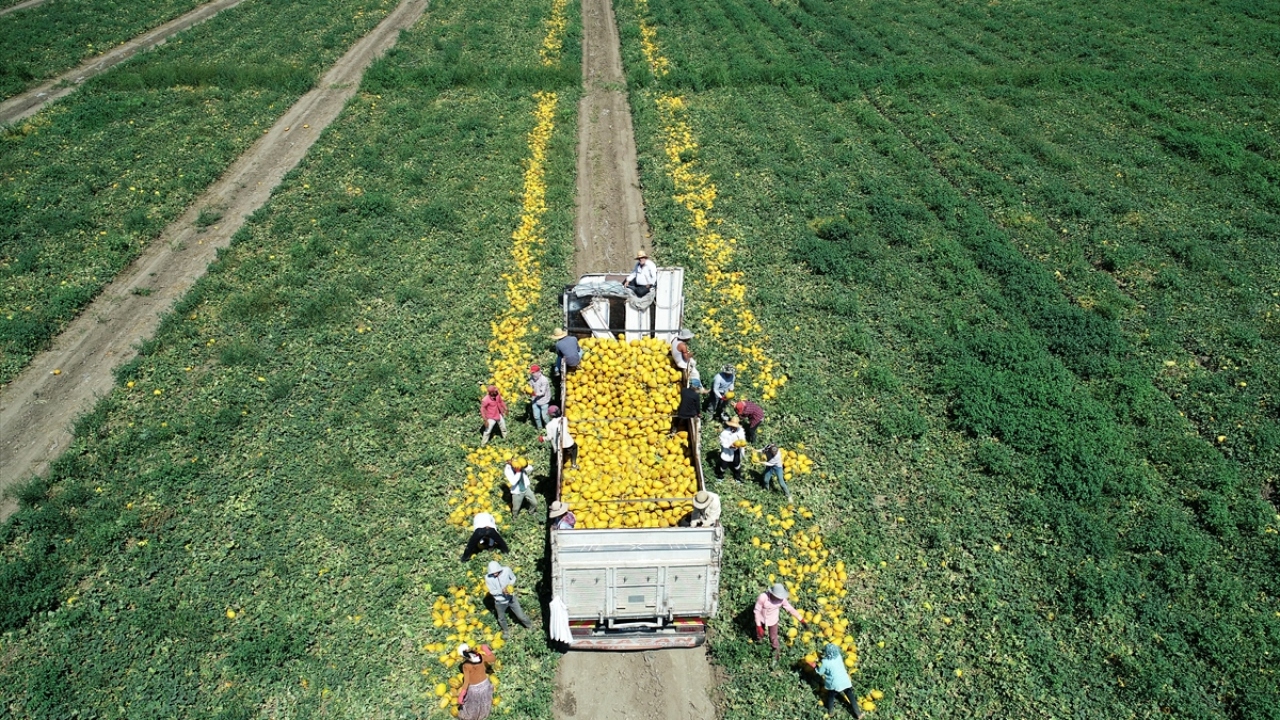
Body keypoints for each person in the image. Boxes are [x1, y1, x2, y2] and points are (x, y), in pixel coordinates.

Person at [754, 582, 805, 662]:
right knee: (759, 633)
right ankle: (759, 642)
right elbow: (757, 611)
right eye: (777, 597)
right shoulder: (763, 597)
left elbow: (790, 609)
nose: (779, 599)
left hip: (773, 620)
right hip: (761, 618)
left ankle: (776, 656)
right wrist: (758, 625)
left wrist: (800, 619)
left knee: (773, 638)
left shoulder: (782, 600)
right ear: (772, 594)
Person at [810, 643, 863, 719]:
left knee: (831, 697)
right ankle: (858, 714)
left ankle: (830, 712)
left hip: (835, 684)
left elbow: (820, 672)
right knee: (851, 697)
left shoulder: (825, 662)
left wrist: (815, 667)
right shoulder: (839, 657)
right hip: (845, 681)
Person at [484, 560, 533, 636]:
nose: (495, 574)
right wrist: (501, 591)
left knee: (520, 615)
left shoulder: (506, 570)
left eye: (497, 572)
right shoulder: (488, 578)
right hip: (500, 602)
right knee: (501, 618)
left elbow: (513, 578)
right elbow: (492, 591)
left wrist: (509, 586)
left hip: (511, 598)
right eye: (493, 573)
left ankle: (530, 626)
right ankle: (506, 631)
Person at [456, 642, 497, 720]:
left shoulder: (466, 666)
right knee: (484, 701)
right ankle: (484, 714)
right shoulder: (480, 656)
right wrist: (485, 649)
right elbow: (493, 658)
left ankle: (472, 717)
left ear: (463, 656)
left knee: (471, 706)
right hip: (485, 685)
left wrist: (461, 695)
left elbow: (466, 682)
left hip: (474, 690)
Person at [543, 405, 578, 471]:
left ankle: (559, 467)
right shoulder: (564, 419)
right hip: (567, 442)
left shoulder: (549, 425)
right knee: (574, 447)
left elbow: (549, 437)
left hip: (558, 444)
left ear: (551, 415)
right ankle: (574, 464)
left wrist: (543, 438)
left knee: (559, 456)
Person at [715, 418, 746, 482]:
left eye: (735, 427)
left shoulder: (740, 431)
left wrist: (742, 444)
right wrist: (729, 446)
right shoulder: (725, 433)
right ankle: (720, 477)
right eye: (732, 426)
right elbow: (722, 442)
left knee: (737, 464)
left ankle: (737, 477)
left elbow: (743, 439)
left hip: (736, 451)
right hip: (727, 451)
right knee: (723, 465)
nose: (733, 428)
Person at [527, 365, 551, 430]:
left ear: (539, 372)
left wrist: (533, 394)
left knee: (545, 417)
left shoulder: (544, 380)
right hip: (534, 400)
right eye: (532, 373)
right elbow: (530, 387)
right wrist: (526, 390)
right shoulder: (531, 379)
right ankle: (540, 429)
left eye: (533, 373)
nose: (532, 374)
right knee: (536, 416)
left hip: (544, 401)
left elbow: (542, 393)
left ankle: (549, 429)